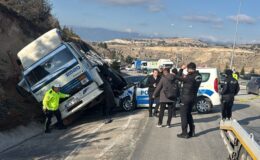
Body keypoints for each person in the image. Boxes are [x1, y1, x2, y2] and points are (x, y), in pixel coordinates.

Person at [175, 63, 202, 138]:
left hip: (185, 98)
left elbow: (178, 77)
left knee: (183, 115)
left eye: (187, 69)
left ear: (190, 69)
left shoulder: (190, 77)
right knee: (189, 114)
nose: (186, 70)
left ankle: (184, 133)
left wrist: (181, 69)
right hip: (193, 98)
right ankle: (192, 131)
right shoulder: (199, 76)